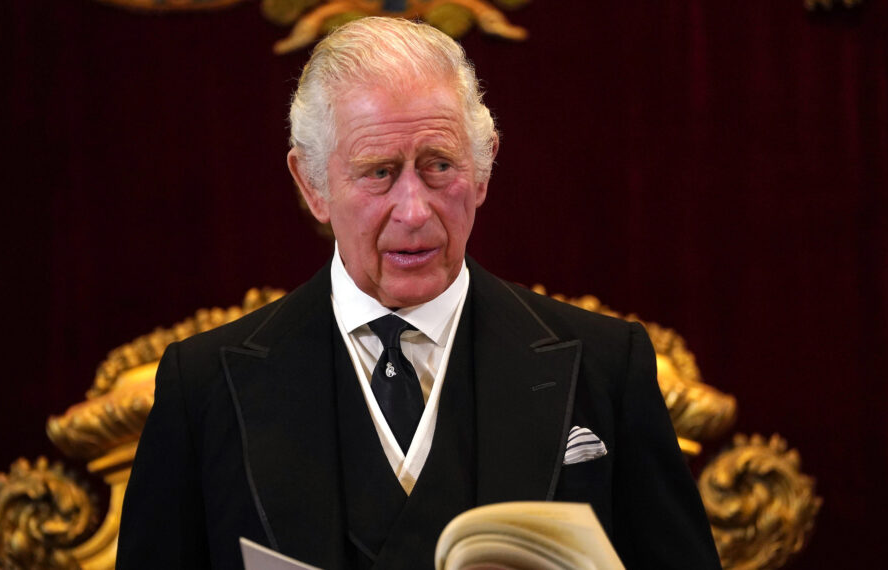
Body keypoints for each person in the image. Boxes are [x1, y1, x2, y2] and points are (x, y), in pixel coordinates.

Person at [117, 17, 721, 570]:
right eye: (379, 171)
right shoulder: (202, 388)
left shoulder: (606, 366)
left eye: (439, 165)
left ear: (482, 171)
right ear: (312, 184)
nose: (414, 210)